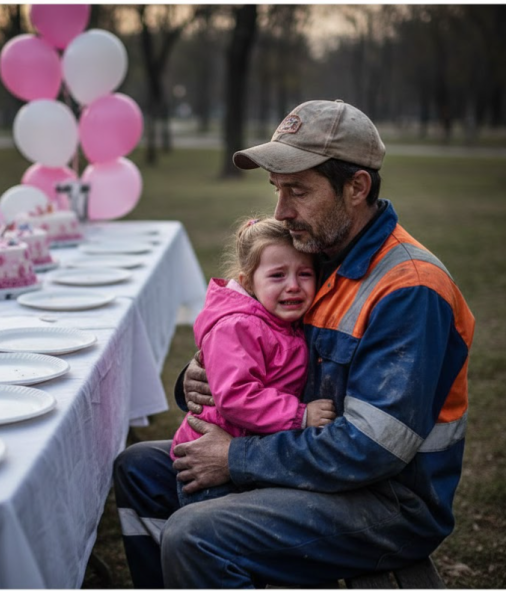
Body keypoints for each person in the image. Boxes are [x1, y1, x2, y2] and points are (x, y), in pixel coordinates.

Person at [113, 99, 475, 588]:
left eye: (298, 191)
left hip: (387, 500)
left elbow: (371, 450)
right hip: (297, 451)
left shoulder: (409, 289)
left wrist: (235, 460)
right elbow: (248, 339)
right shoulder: (312, 254)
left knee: (194, 536)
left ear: (356, 188)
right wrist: (199, 378)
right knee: (138, 468)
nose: (281, 212)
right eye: (277, 189)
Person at [171, 216, 335, 508]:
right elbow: (236, 395)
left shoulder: (283, 322)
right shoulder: (238, 327)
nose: (293, 286)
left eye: (305, 274)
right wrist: (301, 416)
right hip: (208, 464)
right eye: (277, 276)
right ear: (248, 283)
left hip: (243, 449)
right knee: (214, 529)